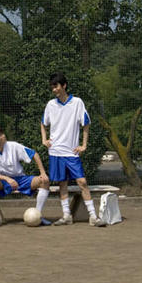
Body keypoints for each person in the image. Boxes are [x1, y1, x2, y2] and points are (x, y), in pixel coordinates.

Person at [41, 71, 105, 227]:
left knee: (82, 181)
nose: (54, 89)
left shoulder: (77, 102)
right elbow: (43, 123)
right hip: (55, 152)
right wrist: (44, 140)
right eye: (52, 87)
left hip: (71, 153)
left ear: (64, 85)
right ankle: (66, 216)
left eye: (56, 86)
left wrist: (84, 145)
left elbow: (86, 123)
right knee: (62, 184)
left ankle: (93, 217)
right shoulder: (50, 105)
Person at [0, 123, 51, 228]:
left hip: (21, 179)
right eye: (0, 134)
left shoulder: (13, 146)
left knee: (44, 181)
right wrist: (7, 179)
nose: (4, 135)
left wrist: (42, 173)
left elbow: (34, 154)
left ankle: (38, 215)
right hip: (4, 182)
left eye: (2, 133)